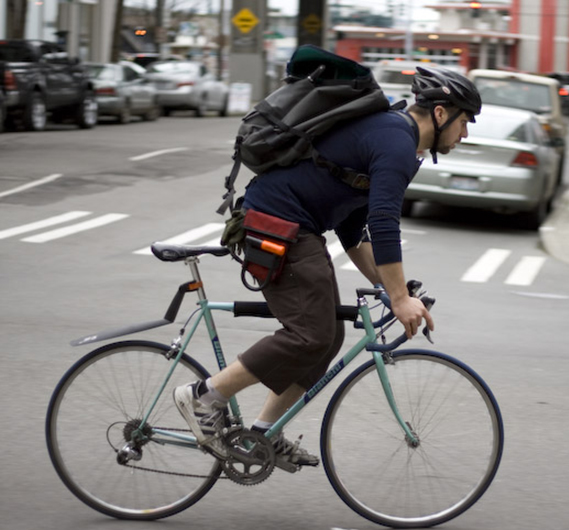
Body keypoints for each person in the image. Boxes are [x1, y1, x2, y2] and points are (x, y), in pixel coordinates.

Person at [173, 66, 482, 466]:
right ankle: (203, 396)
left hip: (294, 227)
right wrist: (399, 297)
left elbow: (353, 229)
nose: (465, 133)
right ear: (440, 113)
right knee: (310, 334)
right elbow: (384, 223)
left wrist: (392, 289)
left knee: (327, 336)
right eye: (464, 121)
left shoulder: (393, 138)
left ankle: (264, 433)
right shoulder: (396, 142)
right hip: (277, 224)